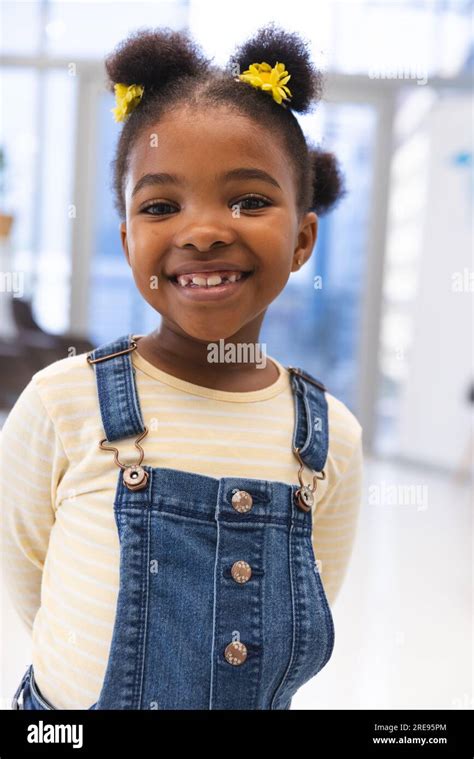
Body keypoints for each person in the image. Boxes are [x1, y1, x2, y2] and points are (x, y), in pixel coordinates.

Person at [2, 22, 363, 710]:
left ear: (303, 238)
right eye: (162, 206)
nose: (202, 231)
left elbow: (311, 598)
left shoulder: (329, 436)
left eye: (249, 200)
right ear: (128, 238)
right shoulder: (61, 401)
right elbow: (34, 585)